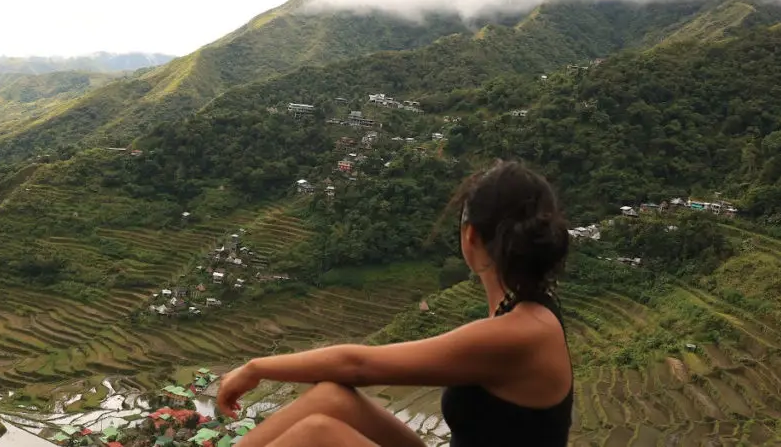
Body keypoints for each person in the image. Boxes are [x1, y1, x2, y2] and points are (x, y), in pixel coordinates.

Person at [216, 160, 574, 447]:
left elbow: (357, 365)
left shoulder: (519, 334)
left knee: (317, 435)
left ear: (470, 236)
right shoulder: (526, 311)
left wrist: (256, 368)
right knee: (331, 399)